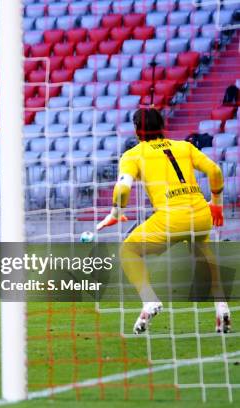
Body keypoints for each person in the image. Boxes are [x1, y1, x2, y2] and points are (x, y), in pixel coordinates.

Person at [97, 108, 231, 334]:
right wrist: (216, 202)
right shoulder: (185, 146)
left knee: (128, 251)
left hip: (171, 218)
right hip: (200, 214)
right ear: (162, 125)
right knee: (203, 252)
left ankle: (149, 301)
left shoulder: (133, 154)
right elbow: (215, 170)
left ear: (137, 130)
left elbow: (122, 188)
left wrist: (115, 212)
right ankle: (222, 306)